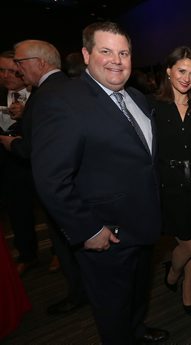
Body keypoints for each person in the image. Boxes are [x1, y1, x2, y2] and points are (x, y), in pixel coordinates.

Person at [30, 22, 168, 344]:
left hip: (143, 227)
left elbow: (143, 161)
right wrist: (88, 230)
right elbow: (51, 179)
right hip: (106, 236)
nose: (116, 60)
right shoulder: (65, 101)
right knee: (112, 311)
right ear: (86, 54)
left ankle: (136, 330)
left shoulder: (137, 97)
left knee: (136, 297)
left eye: (123, 53)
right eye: (106, 51)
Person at [9, 39, 87, 316]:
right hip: (80, 182)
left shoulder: (45, 96)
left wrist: (10, 144)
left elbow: (33, 148)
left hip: (60, 186)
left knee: (65, 243)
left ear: (39, 63)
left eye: (19, 64)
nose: (18, 71)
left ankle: (79, 294)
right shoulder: (75, 87)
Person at [150, 46, 191, 315]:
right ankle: (173, 273)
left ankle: (186, 286)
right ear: (169, 71)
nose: (187, 78)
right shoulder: (152, 106)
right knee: (188, 243)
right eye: (181, 71)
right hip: (166, 183)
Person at [0, 50, 37, 275]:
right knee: (17, 211)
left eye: (10, 70)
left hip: (36, 162)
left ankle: (58, 253)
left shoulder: (39, 93)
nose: (5, 76)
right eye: (1, 70)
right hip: (9, 164)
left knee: (50, 210)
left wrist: (27, 115)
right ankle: (27, 254)